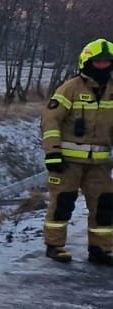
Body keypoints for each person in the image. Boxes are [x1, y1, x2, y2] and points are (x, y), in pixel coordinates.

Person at [41, 38, 113, 263]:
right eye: (98, 62)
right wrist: (53, 154)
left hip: (100, 165)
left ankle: (100, 250)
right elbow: (50, 120)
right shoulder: (70, 88)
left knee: (105, 207)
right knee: (63, 203)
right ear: (87, 62)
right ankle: (54, 246)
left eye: (107, 62)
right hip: (67, 162)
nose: (103, 66)